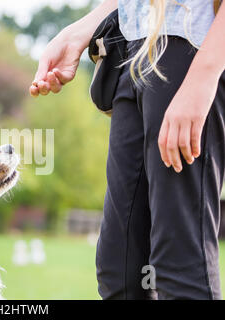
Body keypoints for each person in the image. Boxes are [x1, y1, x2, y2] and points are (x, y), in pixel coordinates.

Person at [31, 0, 225, 299]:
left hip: (191, 50)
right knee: (119, 270)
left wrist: (205, 74)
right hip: (131, 49)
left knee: (179, 266)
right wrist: (79, 32)